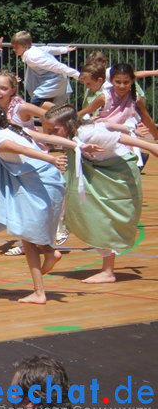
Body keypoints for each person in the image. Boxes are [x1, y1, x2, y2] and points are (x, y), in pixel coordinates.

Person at [30, 103, 156, 284]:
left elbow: (119, 137)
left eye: (54, 130)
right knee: (86, 212)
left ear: (68, 125)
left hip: (116, 175)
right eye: (47, 129)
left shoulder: (86, 134)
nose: (50, 135)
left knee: (100, 218)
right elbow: (105, 124)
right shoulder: (75, 132)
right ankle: (52, 247)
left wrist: (150, 147)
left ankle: (107, 271)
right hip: (95, 172)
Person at [0, 102, 67, 304]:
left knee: (26, 237)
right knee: (27, 235)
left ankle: (39, 290)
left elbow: (22, 150)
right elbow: (45, 138)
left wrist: (49, 158)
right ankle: (49, 255)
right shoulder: (15, 129)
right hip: (49, 181)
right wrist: (78, 145)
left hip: (38, 183)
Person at [10, 32, 79, 107]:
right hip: (51, 82)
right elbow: (47, 49)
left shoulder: (32, 57)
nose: (14, 49)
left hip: (55, 81)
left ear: (25, 46)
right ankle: (56, 112)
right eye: (13, 47)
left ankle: (57, 111)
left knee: (35, 102)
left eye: (16, 47)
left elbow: (56, 66)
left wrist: (76, 74)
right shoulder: (33, 50)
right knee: (40, 107)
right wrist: (64, 49)